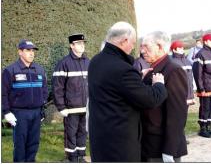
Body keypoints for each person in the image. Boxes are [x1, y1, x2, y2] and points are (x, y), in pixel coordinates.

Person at [88, 22, 167, 162]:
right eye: (133, 43)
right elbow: (149, 99)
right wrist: (159, 85)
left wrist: (136, 79)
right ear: (124, 40)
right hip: (119, 146)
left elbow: (114, 89)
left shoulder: (96, 61)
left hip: (100, 139)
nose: (134, 48)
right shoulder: (122, 69)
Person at [140, 31, 188, 162]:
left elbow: (177, 114)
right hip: (150, 144)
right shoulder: (153, 69)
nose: (142, 51)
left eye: (146, 46)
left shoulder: (173, 70)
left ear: (160, 47)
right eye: (141, 46)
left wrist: (169, 150)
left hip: (161, 147)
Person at [2, 39, 48, 162]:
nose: (31, 53)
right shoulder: (10, 70)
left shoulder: (39, 70)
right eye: (28, 50)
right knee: (20, 145)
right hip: (19, 114)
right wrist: (6, 112)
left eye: (33, 50)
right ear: (20, 52)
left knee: (33, 144)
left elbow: (44, 90)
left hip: (36, 113)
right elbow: (3, 93)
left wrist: (42, 108)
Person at [52, 34, 89, 162]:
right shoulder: (64, 63)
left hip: (86, 108)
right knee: (71, 134)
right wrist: (61, 107)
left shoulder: (87, 62)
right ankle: (71, 158)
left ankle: (81, 156)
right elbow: (57, 87)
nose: (82, 45)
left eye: (83, 43)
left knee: (83, 133)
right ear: (71, 45)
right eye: (79, 43)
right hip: (71, 109)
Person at [192, 33, 211, 138]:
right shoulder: (200, 54)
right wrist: (201, 88)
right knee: (205, 108)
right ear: (205, 42)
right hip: (205, 87)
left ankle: (209, 127)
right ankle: (203, 128)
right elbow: (197, 73)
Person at [170, 40, 195, 106]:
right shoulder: (172, 62)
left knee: (185, 114)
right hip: (179, 94)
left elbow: (190, 77)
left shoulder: (187, 61)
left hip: (189, 93)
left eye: (182, 47)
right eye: (179, 48)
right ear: (174, 50)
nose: (182, 49)